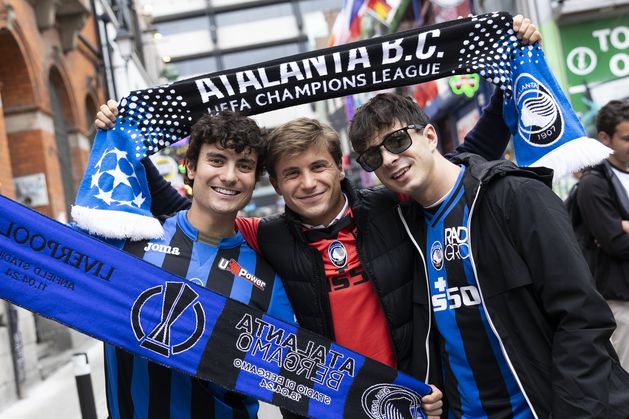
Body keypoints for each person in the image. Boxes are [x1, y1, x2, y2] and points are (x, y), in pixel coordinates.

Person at [94, 16, 542, 419]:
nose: (307, 183)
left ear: (339, 167)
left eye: (318, 167)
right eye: (291, 173)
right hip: (323, 408)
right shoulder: (263, 237)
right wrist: (122, 136)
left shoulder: (391, 210)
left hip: (407, 401)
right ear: (275, 181)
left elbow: (456, 166)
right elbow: (193, 210)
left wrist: (512, 73)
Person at [347, 92, 629, 418]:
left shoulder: (516, 196)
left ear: (429, 135)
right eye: (372, 157)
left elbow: (582, 319)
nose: (388, 159)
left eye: (396, 141)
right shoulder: (404, 227)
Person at [99, 111, 296, 418]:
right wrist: (112, 127)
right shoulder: (131, 240)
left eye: (244, 165)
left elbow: (297, 380)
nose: (230, 176)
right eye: (217, 160)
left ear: (254, 180)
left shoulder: (268, 280)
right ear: (190, 167)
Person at [575, 99, 629, 372]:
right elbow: (616, 243)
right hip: (620, 302)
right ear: (605, 138)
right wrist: (618, 228)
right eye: (627, 138)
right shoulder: (593, 184)